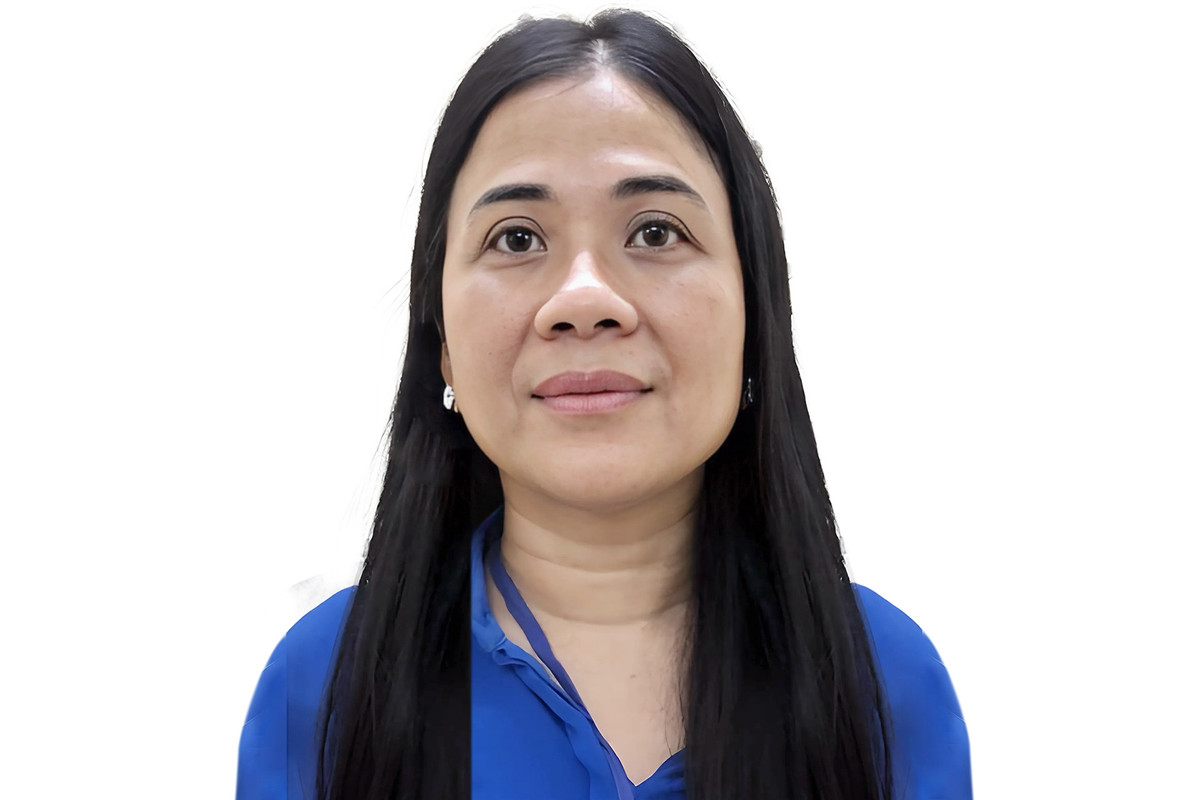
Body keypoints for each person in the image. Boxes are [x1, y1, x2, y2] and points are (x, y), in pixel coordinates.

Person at [236, 9, 971, 800]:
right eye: (517, 238)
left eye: (655, 232)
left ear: (756, 316)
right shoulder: (324, 689)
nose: (583, 300)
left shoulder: (881, 684)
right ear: (440, 339)